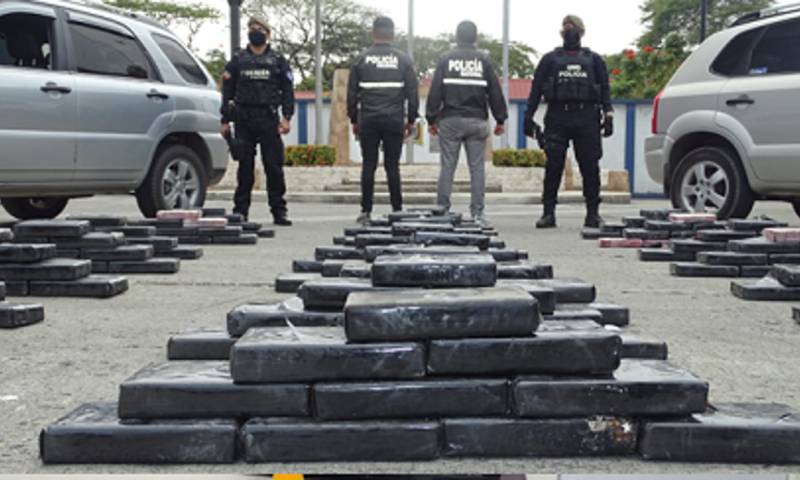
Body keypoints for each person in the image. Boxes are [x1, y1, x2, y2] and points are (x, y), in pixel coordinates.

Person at [524, 15, 614, 229]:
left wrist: (608, 115)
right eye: (565, 26)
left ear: (581, 32)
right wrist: (528, 117)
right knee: (553, 166)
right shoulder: (550, 59)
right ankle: (548, 213)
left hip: (587, 118)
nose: (569, 30)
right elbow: (536, 89)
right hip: (557, 116)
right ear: (561, 32)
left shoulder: (594, 60)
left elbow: (605, 90)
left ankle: (593, 214)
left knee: (590, 167)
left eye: (573, 27)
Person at [426, 21, 508, 227]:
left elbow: (435, 90)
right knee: (477, 168)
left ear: (456, 37)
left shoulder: (446, 59)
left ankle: (443, 209)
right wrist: (500, 119)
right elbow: (495, 92)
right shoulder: (484, 60)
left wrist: (431, 118)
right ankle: (477, 213)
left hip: (451, 121)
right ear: (476, 37)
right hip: (477, 121)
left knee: (448, 166)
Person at [221, 16, 294, 226]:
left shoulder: (278, 60)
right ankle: (241, 211)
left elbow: (288, 90)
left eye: (259, 28)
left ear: (268, 33)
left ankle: (279, 211)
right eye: (252, 27)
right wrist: (224, 120)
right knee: (245, 167)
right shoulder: (238, 60)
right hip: (244, 118)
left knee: (274, 167)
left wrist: (287, 117)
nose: (255, 30)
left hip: (269, 118)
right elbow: (227, 91)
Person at [347, 16, 419, 226]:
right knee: (392, 166)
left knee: (368, 165)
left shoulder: (361, 59)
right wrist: (411, 120)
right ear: (392, 33)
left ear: (373, 33)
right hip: (394, 119)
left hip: (368, 119)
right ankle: (397, 209)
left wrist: (354, 119)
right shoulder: (403, 60)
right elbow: (412, 94)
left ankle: (365, 210)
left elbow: (352, 95)